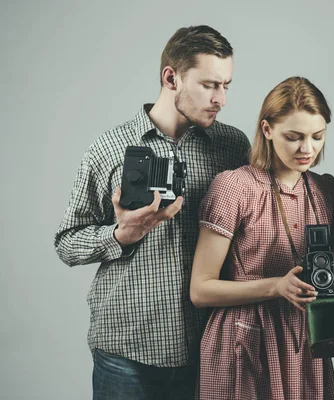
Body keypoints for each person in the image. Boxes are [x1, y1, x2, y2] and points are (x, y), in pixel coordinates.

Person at [54, 25, 250, 400]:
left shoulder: (232, 146)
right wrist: (119, 235)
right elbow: (66, 243)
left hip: (209, 348)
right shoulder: (108, 149)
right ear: (171, 77)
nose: (221, 98)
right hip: (126, 354)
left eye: (226, 85)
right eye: (210, 84)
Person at [189, 76, 334, 400]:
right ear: (267, 130)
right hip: (243, 341)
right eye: (294, 137)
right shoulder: (234, 187)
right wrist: (276, 286)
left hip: (305, 341)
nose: (308, 149)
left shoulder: (326, 189)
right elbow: (200, 289)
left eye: (317, 136)